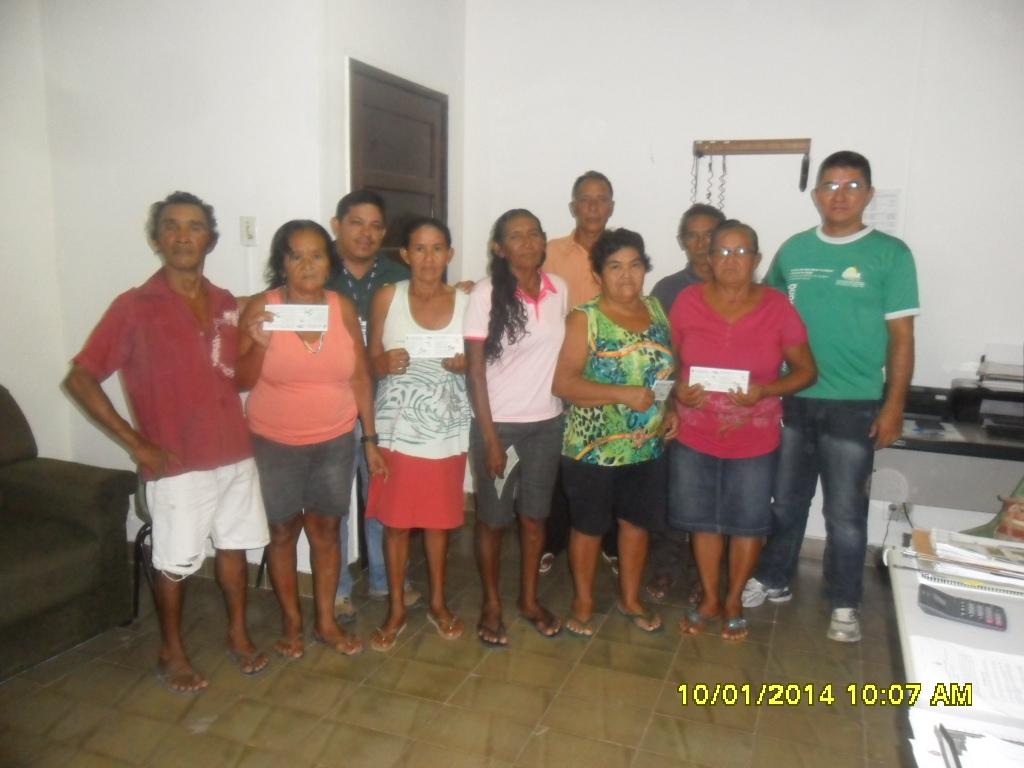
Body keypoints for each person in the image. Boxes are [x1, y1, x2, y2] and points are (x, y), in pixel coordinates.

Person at [64, 191, 270, 693]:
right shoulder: (134, 307)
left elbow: (237, 380)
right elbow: (80, 379)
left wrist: (260, 345)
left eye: (195, 226)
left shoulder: (224, 302)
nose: (183, 235)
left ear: (210, 239)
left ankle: (238, 634)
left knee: (234, 549)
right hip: (177, 463)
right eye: (172, 226)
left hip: (234, 453)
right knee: (174, 564)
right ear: (156, 238)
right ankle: (171, 651)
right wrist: (138, 445)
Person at [743, 151, 919, 643]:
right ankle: (774, 577)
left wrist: (894, 406)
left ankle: (844, 600)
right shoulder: (794, 250)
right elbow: (767, 317)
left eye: (852, 185)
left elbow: (902, 338)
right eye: (831, 186)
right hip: (794, 398)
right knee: (786, 502)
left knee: (844, 514)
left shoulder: (891, 254)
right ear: (817, 193)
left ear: (869, 194)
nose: (840, 195)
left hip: (854, 403)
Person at [238, 219, 385, 658]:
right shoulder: (263, 308)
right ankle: (291, 623)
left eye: (317, 255)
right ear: (281, 263)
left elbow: (360, 376)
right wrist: (258, 343)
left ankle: (324, 621)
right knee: (283, 531)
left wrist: (369, 438)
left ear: (329, 262)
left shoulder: (341, 307)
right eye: (296, 255)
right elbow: (239, 380)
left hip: (335, 441)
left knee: (326, 529)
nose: (307, 264)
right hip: (275, 442)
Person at [669, 220, 816, 640]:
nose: (731, 261)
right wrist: (677, 389)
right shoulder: (687, 301)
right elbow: (668, 360)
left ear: (756, 259)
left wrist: (766, 390)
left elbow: (806, 371)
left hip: (755, 437)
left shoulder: (777, 307)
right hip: (695, 434)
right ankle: (710, 598)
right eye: (722, 252)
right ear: (709, 258)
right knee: (703, 522)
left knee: (747, 523)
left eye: (741, 252)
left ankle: (733, 599)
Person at [552, 228, 677, 636]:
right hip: (593, 448)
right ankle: (583, 602)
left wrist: (670, 408)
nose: (627, 276)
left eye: (635, 265)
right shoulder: (584, 318)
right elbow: (564, 384)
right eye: (615, 267)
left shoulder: (656, 310)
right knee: (589, 527)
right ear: (598, 273)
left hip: (646, 446)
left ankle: (630, 598)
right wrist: (621, 394)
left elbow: (662, 370)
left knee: (636, 524)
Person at [364, 217, 472, 651]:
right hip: (397, 432)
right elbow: (368, 359)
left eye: (437, 248)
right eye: (420, 249)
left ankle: (438, 604)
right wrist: (382, 363)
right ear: (406, 255)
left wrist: (465, 364)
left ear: (450, 254)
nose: (429, 258)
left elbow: (480, 362)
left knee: (439, 524)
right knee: (395, 525)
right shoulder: (388, 296)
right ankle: (395, 609)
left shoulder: (466, 301)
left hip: (446, 431)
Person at [465, 209, 567, 646]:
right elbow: (475, 372)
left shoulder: (559, 289)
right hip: (500, 428)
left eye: (534, 234)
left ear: (544, 240)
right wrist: (490, 439)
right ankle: (491, 604)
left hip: (547, 424)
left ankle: (528, 599)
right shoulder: (485, 294)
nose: (527, 242)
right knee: (493, 520)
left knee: (535, 517)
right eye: (515, 236)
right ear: (499, 248)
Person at [324, 190, 418, 619]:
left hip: (386, 404)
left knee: (382, 495)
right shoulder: (318, 271)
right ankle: (337, 588)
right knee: (335, 501)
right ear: (337, 225)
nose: (366, 233)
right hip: (332, 405)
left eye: (376, 225)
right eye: (356, 223)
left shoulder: (400, 275)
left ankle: (384, 579)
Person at [646, 203, 725, 603]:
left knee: (715, 497)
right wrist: (667, 405)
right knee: (672, 493)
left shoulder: (741, 286)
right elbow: (656, 355)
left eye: (710, 234)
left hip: (728, 414)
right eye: (692, 235)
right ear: (682, 241)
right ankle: (666, 566)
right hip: (679, 410)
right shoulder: (667, 289)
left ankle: (704, 575)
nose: (701, 243)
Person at [542, 170, 619, 575]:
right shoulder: (550, 252)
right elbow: (519, 285)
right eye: (585, 199)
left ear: (611, 206)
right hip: (559, 372)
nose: (593, 207)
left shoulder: (621, 250)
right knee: (559, 461)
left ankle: (608, 541)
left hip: (610, 377)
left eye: (601, 199)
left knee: (607, 459)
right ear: (573, 206)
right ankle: (553, 539)